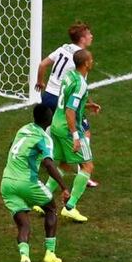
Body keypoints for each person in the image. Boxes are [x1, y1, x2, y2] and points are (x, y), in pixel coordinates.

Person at [0, 104, 70, 262]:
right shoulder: (45, 139)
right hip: (27, 182)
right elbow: (48, 163)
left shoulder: (23, 129)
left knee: (23, 225)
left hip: (7, 182)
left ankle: (25, 257)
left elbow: (12, 147)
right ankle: (50, 252)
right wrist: (63, 186)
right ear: (47, 119)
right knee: (51, 208)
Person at [35, 21, 100, 188]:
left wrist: (40, 82)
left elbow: (42, 64)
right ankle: (83, 170)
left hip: (48, 95)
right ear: (82, 38)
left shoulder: (63, 48)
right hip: (63, 100)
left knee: (50, 129)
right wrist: (89, 104)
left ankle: (41, 156)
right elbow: (79, 89)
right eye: (89, 34)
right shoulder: (81, 58)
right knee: (83, 131)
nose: (91, 36)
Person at [40, 49, 100, 222]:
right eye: (91, 59)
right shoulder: (81, 83)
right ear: (86, 63)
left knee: (64, 164)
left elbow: (67, 101)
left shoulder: (68, 76)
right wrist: (75, 135)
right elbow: (70, 110)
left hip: (56, 125)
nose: (92, 61)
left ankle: (42, 198)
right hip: (68, 128)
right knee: (87, 166)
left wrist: (88, 106)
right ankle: (70, 206)